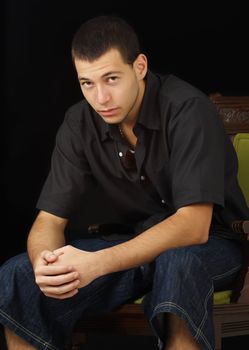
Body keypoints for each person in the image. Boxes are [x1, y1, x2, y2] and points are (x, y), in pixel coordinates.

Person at [0, 15, 249, 350]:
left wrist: (97, 264)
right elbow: (48, 220)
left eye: (111, 78)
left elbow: (194, 226)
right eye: (87, 83)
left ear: (140, 66)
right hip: (135, 242)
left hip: (214, 246)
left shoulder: (188, 109)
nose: (100, 97)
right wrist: (46, 263)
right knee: (18, 274)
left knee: (177, 264)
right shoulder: (79, 122)